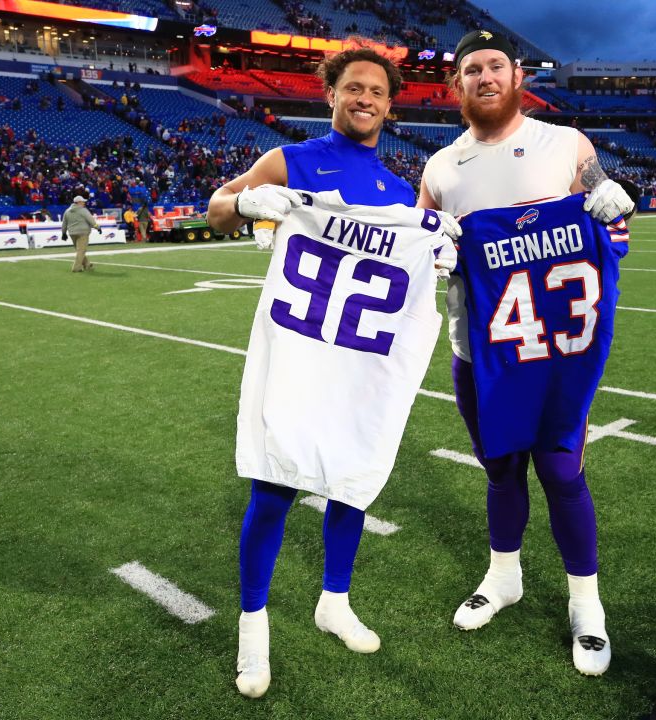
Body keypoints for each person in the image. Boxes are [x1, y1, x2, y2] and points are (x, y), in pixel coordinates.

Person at [205, 43, 459, 700]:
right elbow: (215, 208)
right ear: (332, 94)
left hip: (359, 364)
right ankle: (252, 630)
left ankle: (334, 602)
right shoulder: (290, 161)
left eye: (377, 90)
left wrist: (439, 256)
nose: (365, 99)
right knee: (275, 485)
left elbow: (419, 274)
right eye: (354, 88)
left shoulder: (399, 193)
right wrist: (251, 205)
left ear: (389, 103)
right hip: (299, 354)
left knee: (351, 480)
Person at [416, 29, 634, 678]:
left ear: (516, 76)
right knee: (500, 471)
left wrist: (615, 208)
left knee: (563, 473)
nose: (483, 76)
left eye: (495, 66)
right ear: (456, 86)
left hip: (553, 351)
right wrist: (435, 250)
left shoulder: (566, 145)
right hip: (476, 351)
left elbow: (612, 227)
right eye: (471, 70)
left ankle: (586, 606)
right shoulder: (440, 168)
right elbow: (417, 241)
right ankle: (503, 576)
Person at [61, 195, 100, 272]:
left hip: (72, 233)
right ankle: (76, 268)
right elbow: (91, 220)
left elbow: (64, 223)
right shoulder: (83, 210)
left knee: (79, 250)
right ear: (78, 202)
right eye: (83, 202)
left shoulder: (67, 211)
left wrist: (64, 233)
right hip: (83, 232)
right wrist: (98, 227)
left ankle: (87, 264)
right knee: (81, 250)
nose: (84, 203)